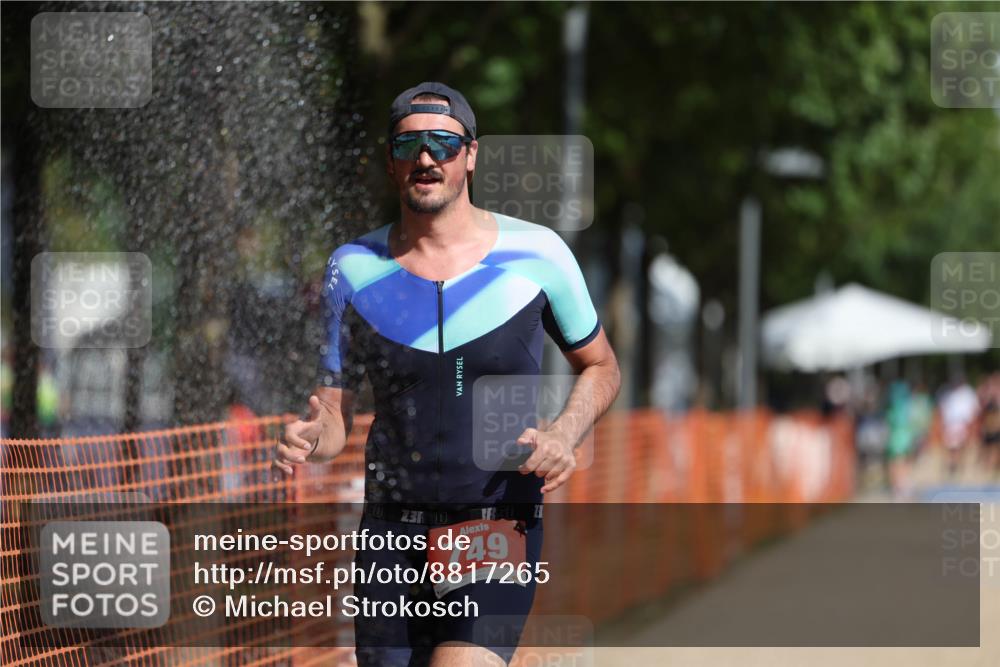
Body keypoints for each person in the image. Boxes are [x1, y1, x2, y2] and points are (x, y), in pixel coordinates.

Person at [272, 82, 621, 667]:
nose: (426, 157)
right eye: (408, 145)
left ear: (472, 155)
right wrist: (312, 438)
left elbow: (602, 366)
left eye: (444, 143)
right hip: (390, 533)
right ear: (390, 161)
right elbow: (334, 412)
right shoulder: (351, 269)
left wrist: (564, 434)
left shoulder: (538, 254)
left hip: (494, 521)